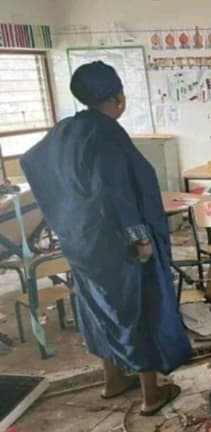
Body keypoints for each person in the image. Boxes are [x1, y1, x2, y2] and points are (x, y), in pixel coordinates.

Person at [20, 61, 192, 416]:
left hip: (83, 243)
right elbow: (115, 191)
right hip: (120, 244)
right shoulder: (107, 133)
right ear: (117, 97)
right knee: (138, 309)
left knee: (99, 308)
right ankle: (151, 395)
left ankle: (113, 380)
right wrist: (139, 237)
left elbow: (34, 164)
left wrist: (68, 219)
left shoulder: (65, 131)